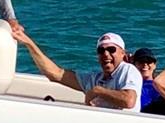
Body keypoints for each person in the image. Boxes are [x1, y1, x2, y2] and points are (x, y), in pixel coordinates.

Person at [10, 27, 143, 110]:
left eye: (111, 49)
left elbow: (129, 101)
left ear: (122, 53)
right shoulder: (94, 79)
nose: (106, 54)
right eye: (101, 50)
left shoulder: (127, 70)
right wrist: (29, 44)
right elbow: (55, 74)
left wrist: (98, 91)